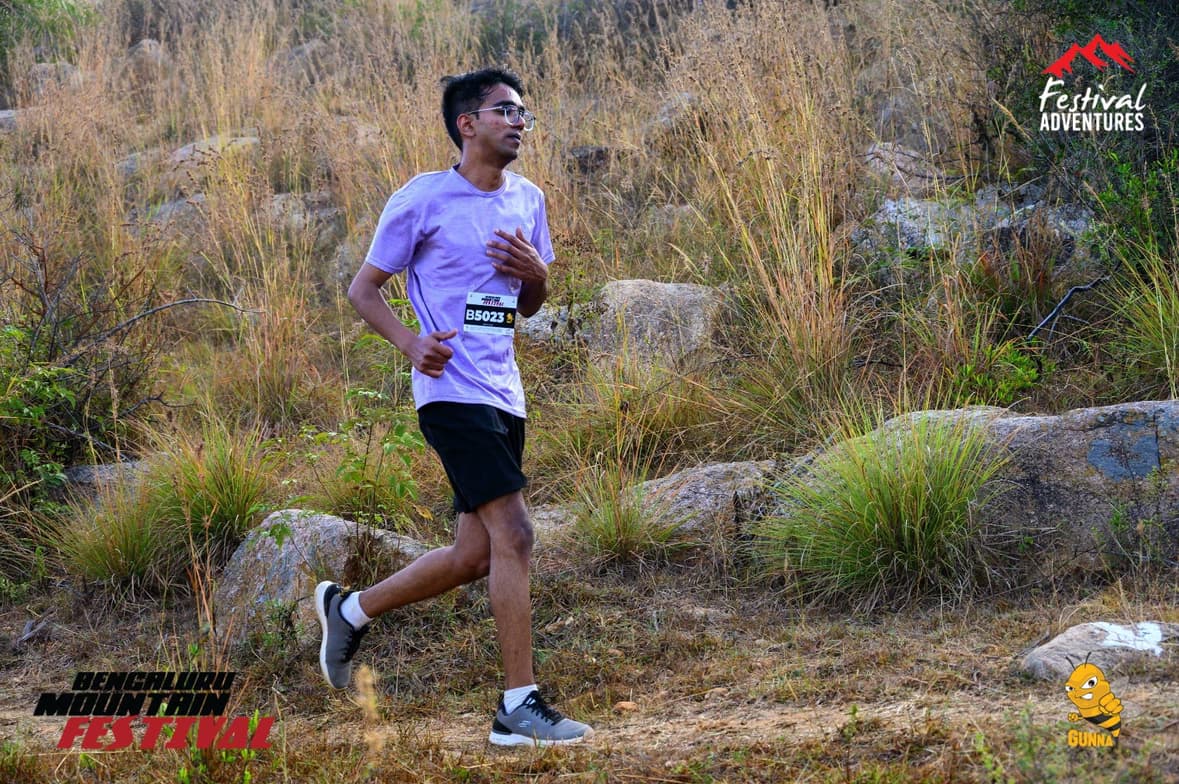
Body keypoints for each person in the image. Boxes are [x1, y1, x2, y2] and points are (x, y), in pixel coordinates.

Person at [314, 67, 593, 748]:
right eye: (505, 110)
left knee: (475, 555)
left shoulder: (528, 199)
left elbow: (528, 305)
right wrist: (411, 344)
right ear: (467, 124)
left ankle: (349, 611)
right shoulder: (423, 198)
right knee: (516, 534)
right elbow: (363, 290)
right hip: (449, 393)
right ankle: (517, 708)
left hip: (504, 392)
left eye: (523, 112)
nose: (519, 121)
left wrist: (537, 276)